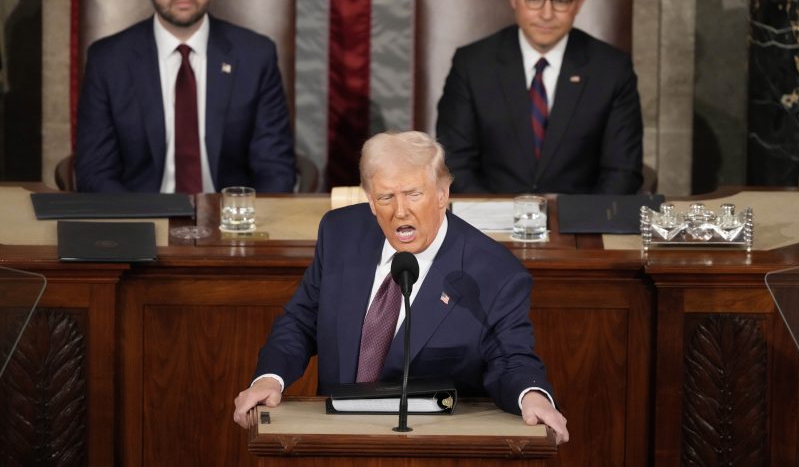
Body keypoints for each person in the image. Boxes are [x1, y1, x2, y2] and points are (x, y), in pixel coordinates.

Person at [233, 130, 569, 444]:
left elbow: (511, 358)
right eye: (386, 197)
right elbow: (300, 320)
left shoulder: (494, 272)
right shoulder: (341, 234)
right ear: (370, 200)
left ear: (442, 194)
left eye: (413, 194)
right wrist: (269, 378)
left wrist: (532, 395)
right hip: (334, 442)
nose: (400, 210)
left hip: (430, 448)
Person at [75, 0, 295, 193]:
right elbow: (95, 171)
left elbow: (275, 168)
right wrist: (137, 223)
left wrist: (246, 222)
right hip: (140, 219)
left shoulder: (255, 56)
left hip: (231, 222)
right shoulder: (108, 60)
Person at [436, 0, 643, 195]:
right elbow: (456, 163)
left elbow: (622, 171)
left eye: (561, 1)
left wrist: (582, 223)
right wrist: (494, 221)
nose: (546, 14)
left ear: (579, 1)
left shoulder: (612, 69)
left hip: (579, 225)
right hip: (490, 224)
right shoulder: (472, 64)